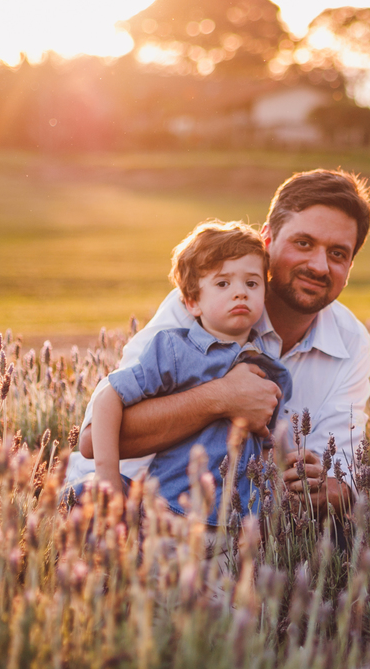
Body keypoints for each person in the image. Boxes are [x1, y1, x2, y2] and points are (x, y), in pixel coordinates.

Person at [66, 169, 370, 514]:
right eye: (303, 243)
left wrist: (316, 481)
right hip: (127, 503)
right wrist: (221, 398)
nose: (320, 266)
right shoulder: (204, 307)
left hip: (232, 528)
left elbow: (342, 476)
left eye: (338, 254)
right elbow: (94, 439)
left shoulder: (352, 342)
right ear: (267, 239)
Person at [88, 220, 291, 523]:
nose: (240, 293)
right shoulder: (174, 350)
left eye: (251, 283)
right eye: (223, 284)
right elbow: (109, 397)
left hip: (233, 527)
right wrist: (109, 481)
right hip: (168, 511)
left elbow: (266, 448)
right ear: (193, 301)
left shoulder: (272, 371)